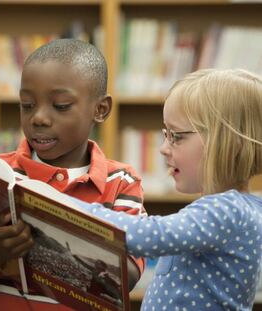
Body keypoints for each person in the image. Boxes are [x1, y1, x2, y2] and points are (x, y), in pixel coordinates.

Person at [0, 38, 146, 310]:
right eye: (27, 105)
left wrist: (60, 240)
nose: (38, 118)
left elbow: (126, 281)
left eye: (60, 106)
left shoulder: (121, 184)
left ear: (100, 109)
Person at [74, 68, 262, 310]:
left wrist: (66, 206)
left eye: (177, 136)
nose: (163, 148)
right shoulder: (244, 207)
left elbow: (147, 235)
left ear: (229, 144)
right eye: (165, 134)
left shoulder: (225, 211)